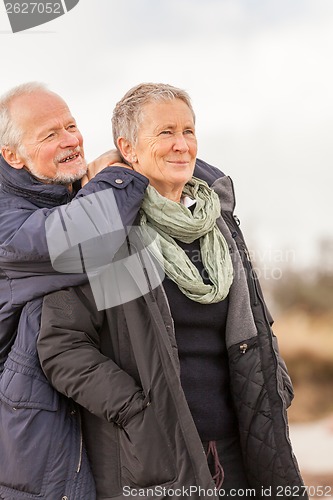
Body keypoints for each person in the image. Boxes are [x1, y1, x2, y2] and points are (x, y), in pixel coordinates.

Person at [38, 83, 307, 500]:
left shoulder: (218, 227)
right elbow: (62, 345)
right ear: (128, 147)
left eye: (188, 131)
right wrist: (135, 410)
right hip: (156, 458)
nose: (181, 145)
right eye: (165, 133)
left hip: (241, 448)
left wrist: (278, 384)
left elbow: (255, 321)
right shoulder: (108, 234)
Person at [0, 82, 150, 499]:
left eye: (71, 125)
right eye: (50, 135)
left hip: (94, 413)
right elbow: (88, 235)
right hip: (35, 438)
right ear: (12, 155)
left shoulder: (67, 192)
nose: (70, 140)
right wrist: (119, 172)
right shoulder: (7, 224)